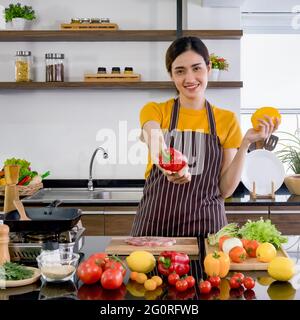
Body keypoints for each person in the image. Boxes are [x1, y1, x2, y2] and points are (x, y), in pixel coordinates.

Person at [130, 36, 279, 237]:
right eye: (180, 71)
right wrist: (170, 166)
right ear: (171, 75)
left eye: (197, 68)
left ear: (209, 68)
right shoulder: (156, 110)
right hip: (155, 225)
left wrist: (245, 144)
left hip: (206, 227)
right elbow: (155, 141)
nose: (190, 78)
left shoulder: (226, 120)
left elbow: (225, 190)